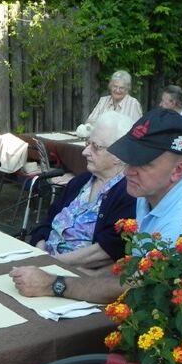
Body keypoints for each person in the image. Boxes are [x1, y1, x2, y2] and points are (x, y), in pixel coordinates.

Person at [14, 108, 182, 364]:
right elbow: (131, 266)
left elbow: (130, 284)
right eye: (129, 158)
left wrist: (55, 283)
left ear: (178, 171)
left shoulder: (181, 226)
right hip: (142, 319)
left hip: (163, 353)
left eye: (143, 163)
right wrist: (81, 275)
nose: (130, 169)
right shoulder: (150, 192)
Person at [30, 112, 135, 271]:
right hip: (44, 262)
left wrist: (54, 263)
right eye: (88, 143)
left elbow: (108, 250)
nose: (85, 152)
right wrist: (40, 250)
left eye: (96, 147)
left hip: (77, 276)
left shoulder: (129, 193)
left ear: (118, 155)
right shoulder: (80, 182)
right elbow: (47, 223)